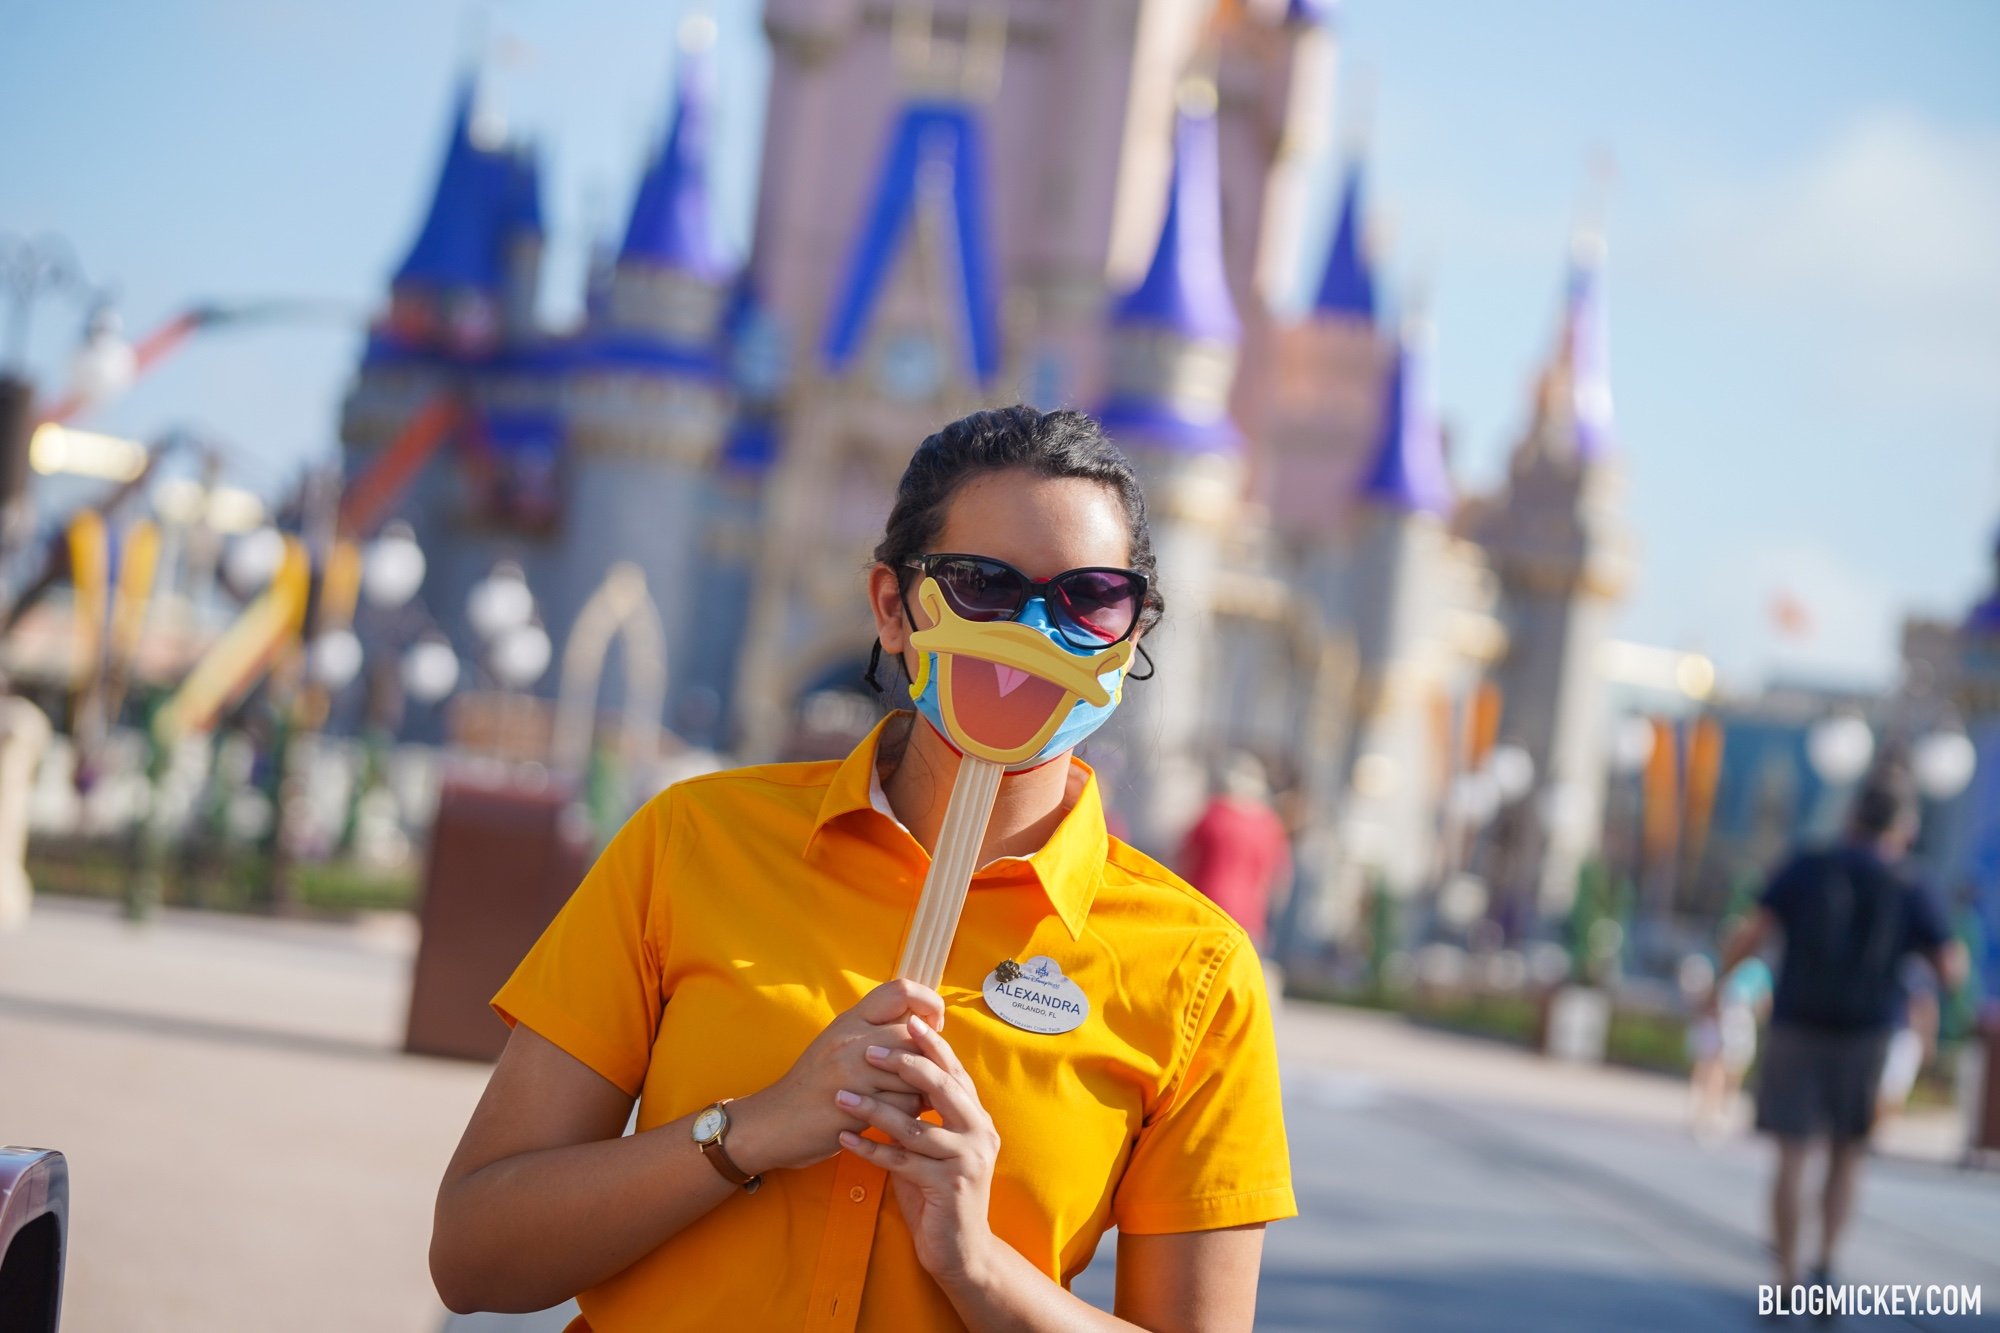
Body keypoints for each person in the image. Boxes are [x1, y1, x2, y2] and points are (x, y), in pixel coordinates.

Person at [429, 407, 1296, 1332]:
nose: (1041, 631)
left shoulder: (1197, 973)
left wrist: (978, 1266)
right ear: (893, 606)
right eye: (983, 586)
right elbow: (476, 1253)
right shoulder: (694, 841)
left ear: (1130, 631)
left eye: (1091, 596)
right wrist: (749, 1130)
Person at [1714, 773, 1966, 1299]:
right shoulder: (1911, 882)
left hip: (1797, 1024)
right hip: (1868, 1031)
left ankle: (1785, 1279)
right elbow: (1949, 967)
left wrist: (1719, 985)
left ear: (1851, 818)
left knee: (1791, 1155)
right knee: (1847, 1155)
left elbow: (1752, 932)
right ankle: (1825, 1266)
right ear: (1904, 828)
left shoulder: (1808, 864)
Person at [1176, 751, 1292, 952]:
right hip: (1248, 918)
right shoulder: (1269, 824)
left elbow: (1182, 860)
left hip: (1206, 908)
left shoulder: (1213, 815)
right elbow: (1279, 880)